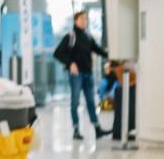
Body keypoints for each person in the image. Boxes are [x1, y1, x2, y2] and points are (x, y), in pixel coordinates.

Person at [54, 10, 109, 140]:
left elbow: (98, 50)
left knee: (91, 102)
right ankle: (76, 129)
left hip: (88, 74)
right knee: (75, 102)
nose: (85, 21)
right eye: (82, 19)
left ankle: (97, 129)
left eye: (86, 19)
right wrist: (70, 63)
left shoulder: (88, 37)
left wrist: (111, 56)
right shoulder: (70, 36)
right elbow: (57, 53)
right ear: (76, 20)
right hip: (76, 75)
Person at [104, 59, 136, 140]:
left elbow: (109, 82)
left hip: (129, 89)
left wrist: (106, 94)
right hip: (130, 89)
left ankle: (119, 133)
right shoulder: (122, 67)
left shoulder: (118, 69)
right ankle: (123, 132)